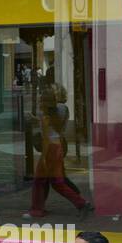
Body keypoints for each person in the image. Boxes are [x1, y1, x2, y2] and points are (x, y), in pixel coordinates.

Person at [27, 84, 90, 219]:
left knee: (40, 180)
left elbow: (45, 139)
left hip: (50, 149)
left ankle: (37, 210)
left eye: (41, 100)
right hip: (57, 147)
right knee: (57, 181)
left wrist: (43, 157)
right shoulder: (56, 113)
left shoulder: (46, 116)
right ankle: (81, 202)